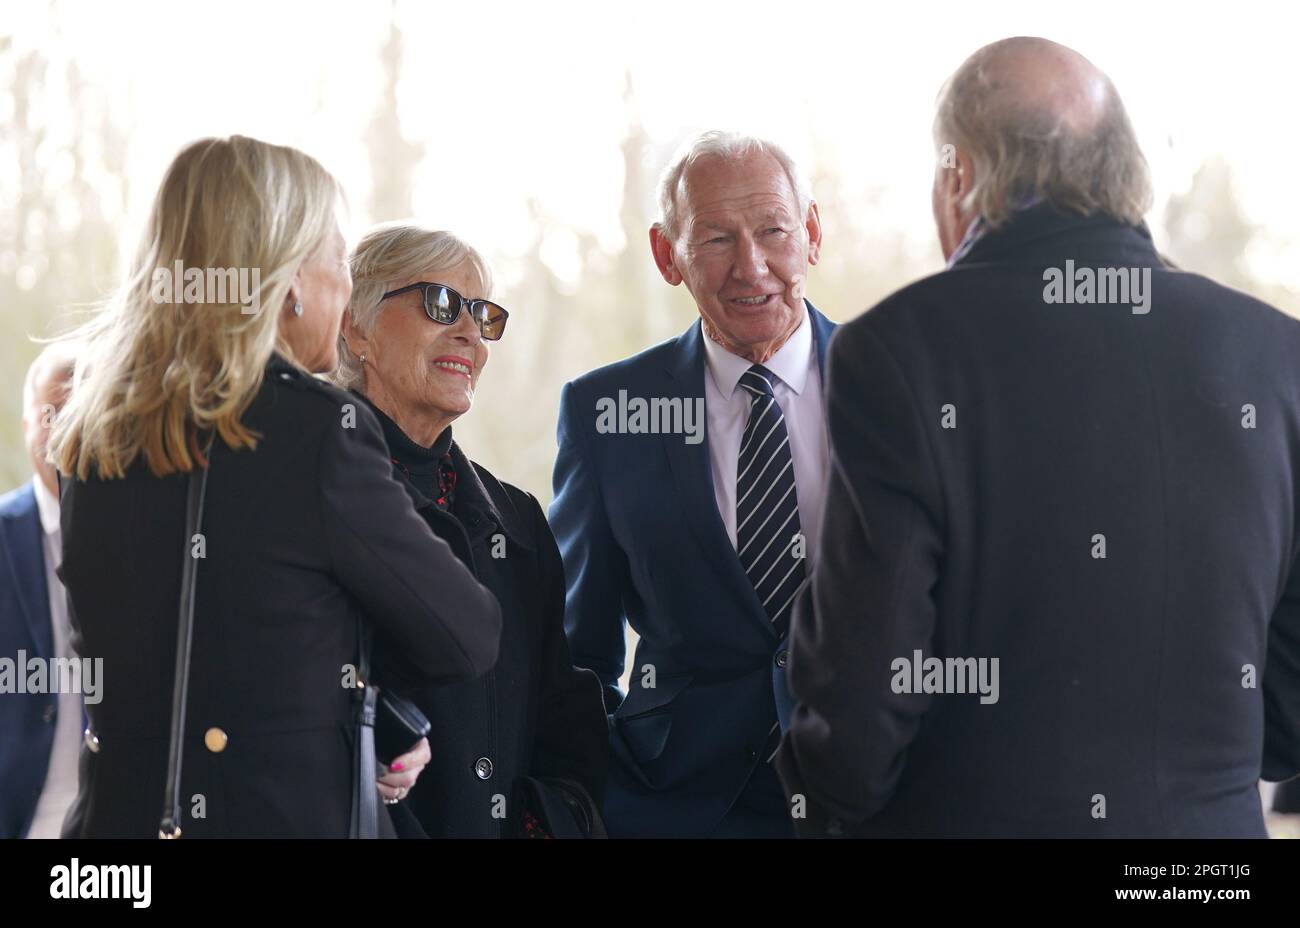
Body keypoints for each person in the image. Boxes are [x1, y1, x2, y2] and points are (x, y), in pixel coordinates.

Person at [774, 37, 1300, 837]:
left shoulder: (898, 349)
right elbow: (1290, 705)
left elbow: (858, 716)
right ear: (1125, 174)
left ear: (960, 178)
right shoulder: (1276, 354)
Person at [49, 135, 502, 838]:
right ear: (288, 279)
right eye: (334, 262)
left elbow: (223, 646)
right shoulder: (316, 431)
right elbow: (466, 634)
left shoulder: (91, 429)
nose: (345, 288)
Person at [551, 131, 837, 837]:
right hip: (673, 804)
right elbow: (579, 654)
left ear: (811, 234)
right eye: (714, 240)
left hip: (870, 796)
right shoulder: (604, 413)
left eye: (773, 231)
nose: (751, 266)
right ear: (665, 255)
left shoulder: (903, 386)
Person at [336, 223, 607, 838]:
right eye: (439, 304)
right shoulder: (303, 496)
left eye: (481, 314)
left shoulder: (517, 520)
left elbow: (566, 722)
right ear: (356, 328)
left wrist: (543, 823)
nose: (469, 334)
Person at [0, 344, 78, 837]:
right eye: (48, 412)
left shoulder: (134, 538)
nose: (60, 428)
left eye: (73, 410)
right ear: (27, 424)